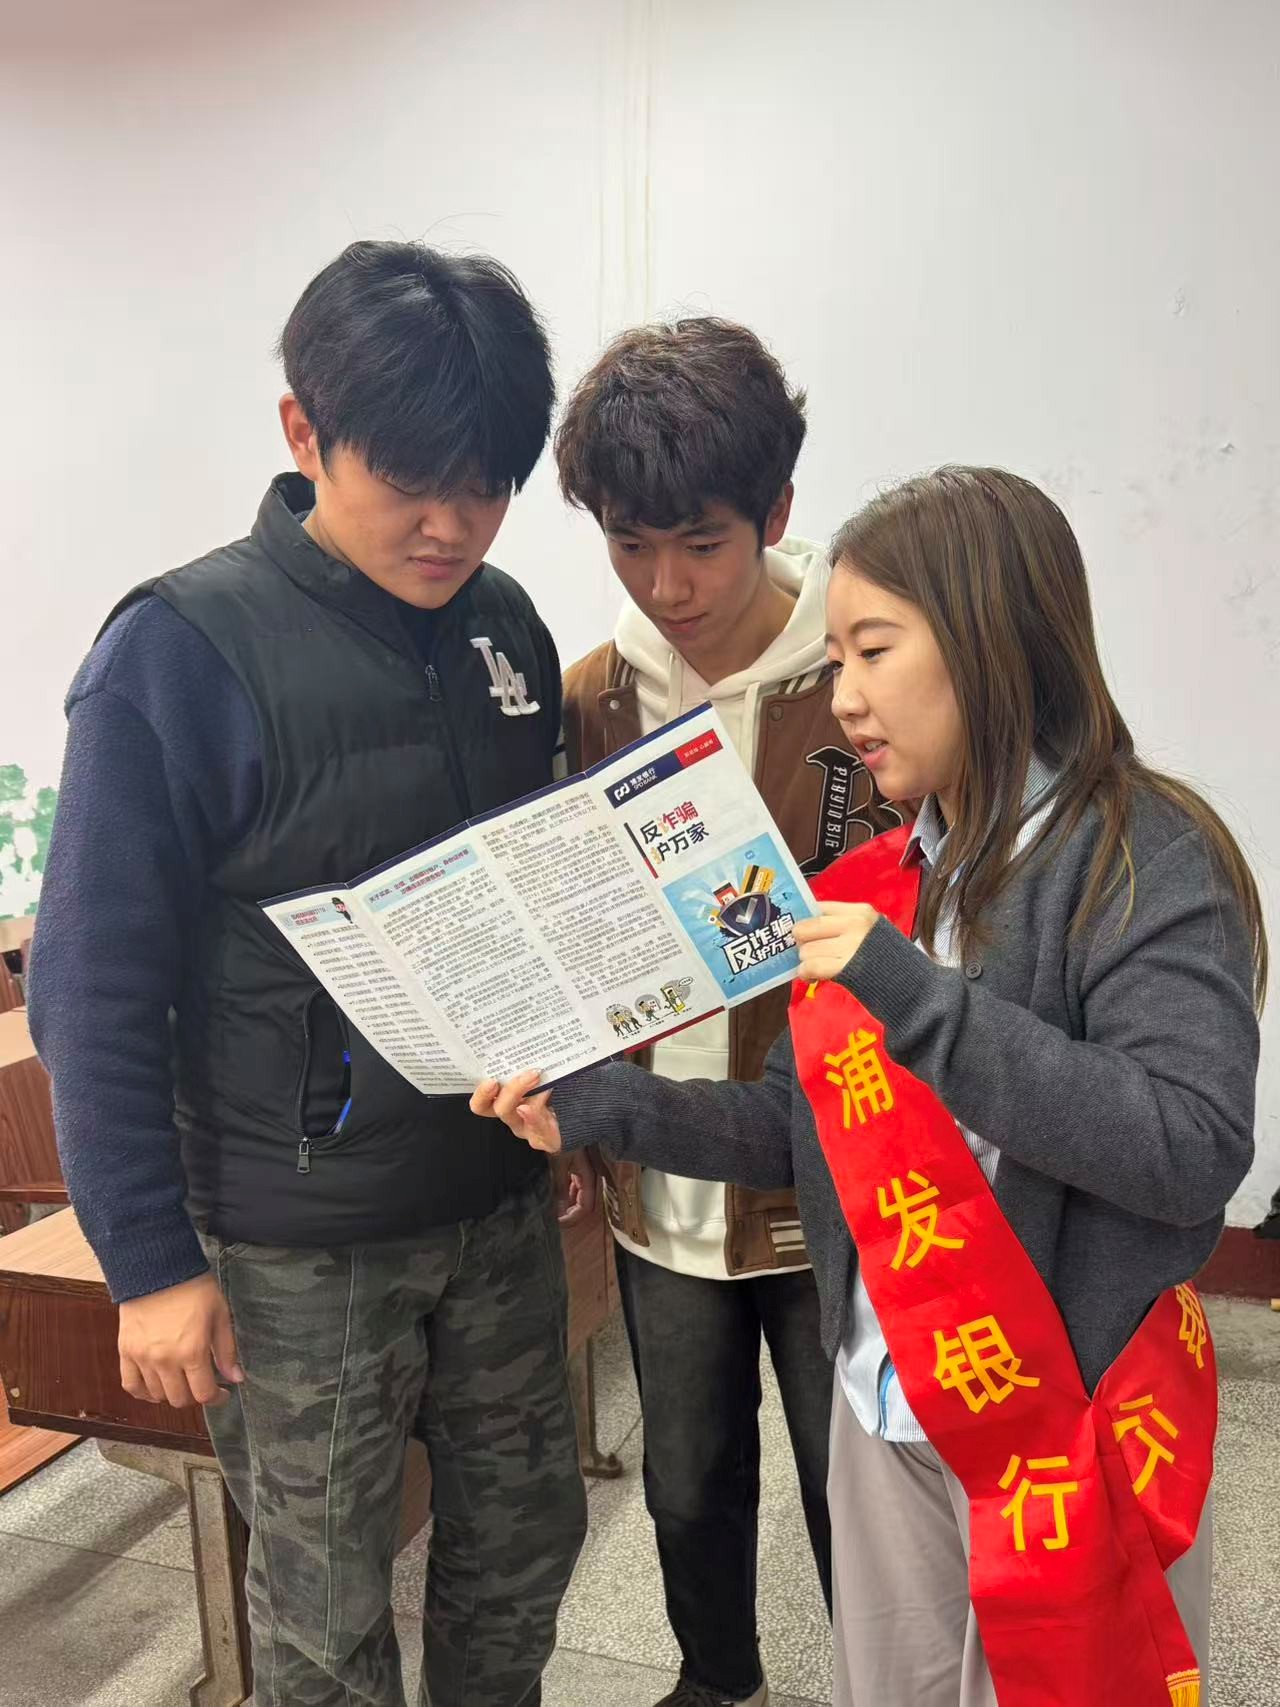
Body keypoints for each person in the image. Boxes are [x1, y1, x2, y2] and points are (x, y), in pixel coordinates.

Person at [473, 466, 1265, 1707]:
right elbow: (796, 1126)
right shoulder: (883, 878)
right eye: (835, 657)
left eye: (872, 651)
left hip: (1067, 1422)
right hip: (883, 1399)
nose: (842, 696)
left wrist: (915, 996)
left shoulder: (1137, 856)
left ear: (990, 642)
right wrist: (597, 1105)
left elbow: (1186, 1146)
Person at [29, 241, 587, 1707]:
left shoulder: (503, 625)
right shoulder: (179, 650)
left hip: (494, 1199)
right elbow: (89, 984)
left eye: (488, 485)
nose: (451, 523)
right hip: (299, 1246)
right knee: (325, 1615)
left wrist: (572, 1112)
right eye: (411, 479)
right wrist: (150, 1264)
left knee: (524, 1547)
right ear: (303, 432)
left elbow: (526, 901)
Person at [555, 318, 899, 1707]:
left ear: (776, 510)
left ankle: (888, 1679)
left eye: (701, 542)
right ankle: (715, 1679)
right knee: (687, 1477)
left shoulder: (860, 683)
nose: (667, 583)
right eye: (630, 543)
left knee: (853, 1477)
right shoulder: (596, 695)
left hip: (835, 1171)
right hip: (661, 1175)